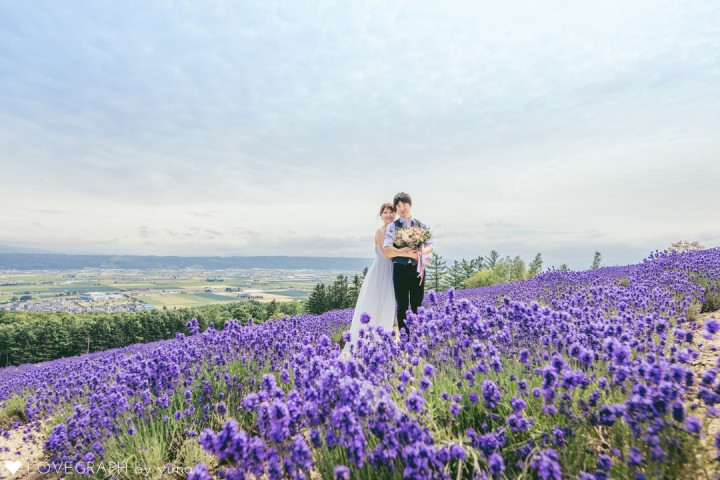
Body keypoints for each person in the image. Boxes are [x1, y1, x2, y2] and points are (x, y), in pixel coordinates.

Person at [341, 203, 414, 357]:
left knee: (387, 304)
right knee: (374, 303)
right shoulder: (380, 231)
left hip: (392, 271)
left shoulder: (396, 230)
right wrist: (408, 252)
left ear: (394, 214)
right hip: (381, 271)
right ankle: (367, 342)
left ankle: (382, 342)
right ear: (380, 215)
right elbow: (387, 253)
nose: (388, 215)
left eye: (390, 212)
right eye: (385, 212)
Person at [383, 192, 433, 333]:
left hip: (418, 268)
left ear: (410, 205)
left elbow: (430, 245)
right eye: (398, 206)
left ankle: (417, 335)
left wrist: (420, 252)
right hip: (400, 269)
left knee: (417, 304)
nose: (402, 208)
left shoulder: (421, 225)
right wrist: (405, 252)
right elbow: (387, 249)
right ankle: (405, 338)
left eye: (404, 204)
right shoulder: (392, 226)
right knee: (402, 305)